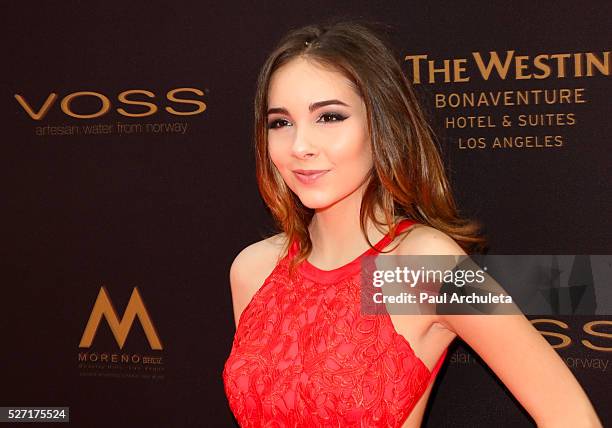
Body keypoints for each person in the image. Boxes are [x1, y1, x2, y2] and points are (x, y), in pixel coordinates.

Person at [222, 19, 602, 427]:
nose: (300, 146)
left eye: (330, 117)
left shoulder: (420, 267)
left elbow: (570, 415)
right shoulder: (254, 269)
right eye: (280, 123)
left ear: (382, 125)